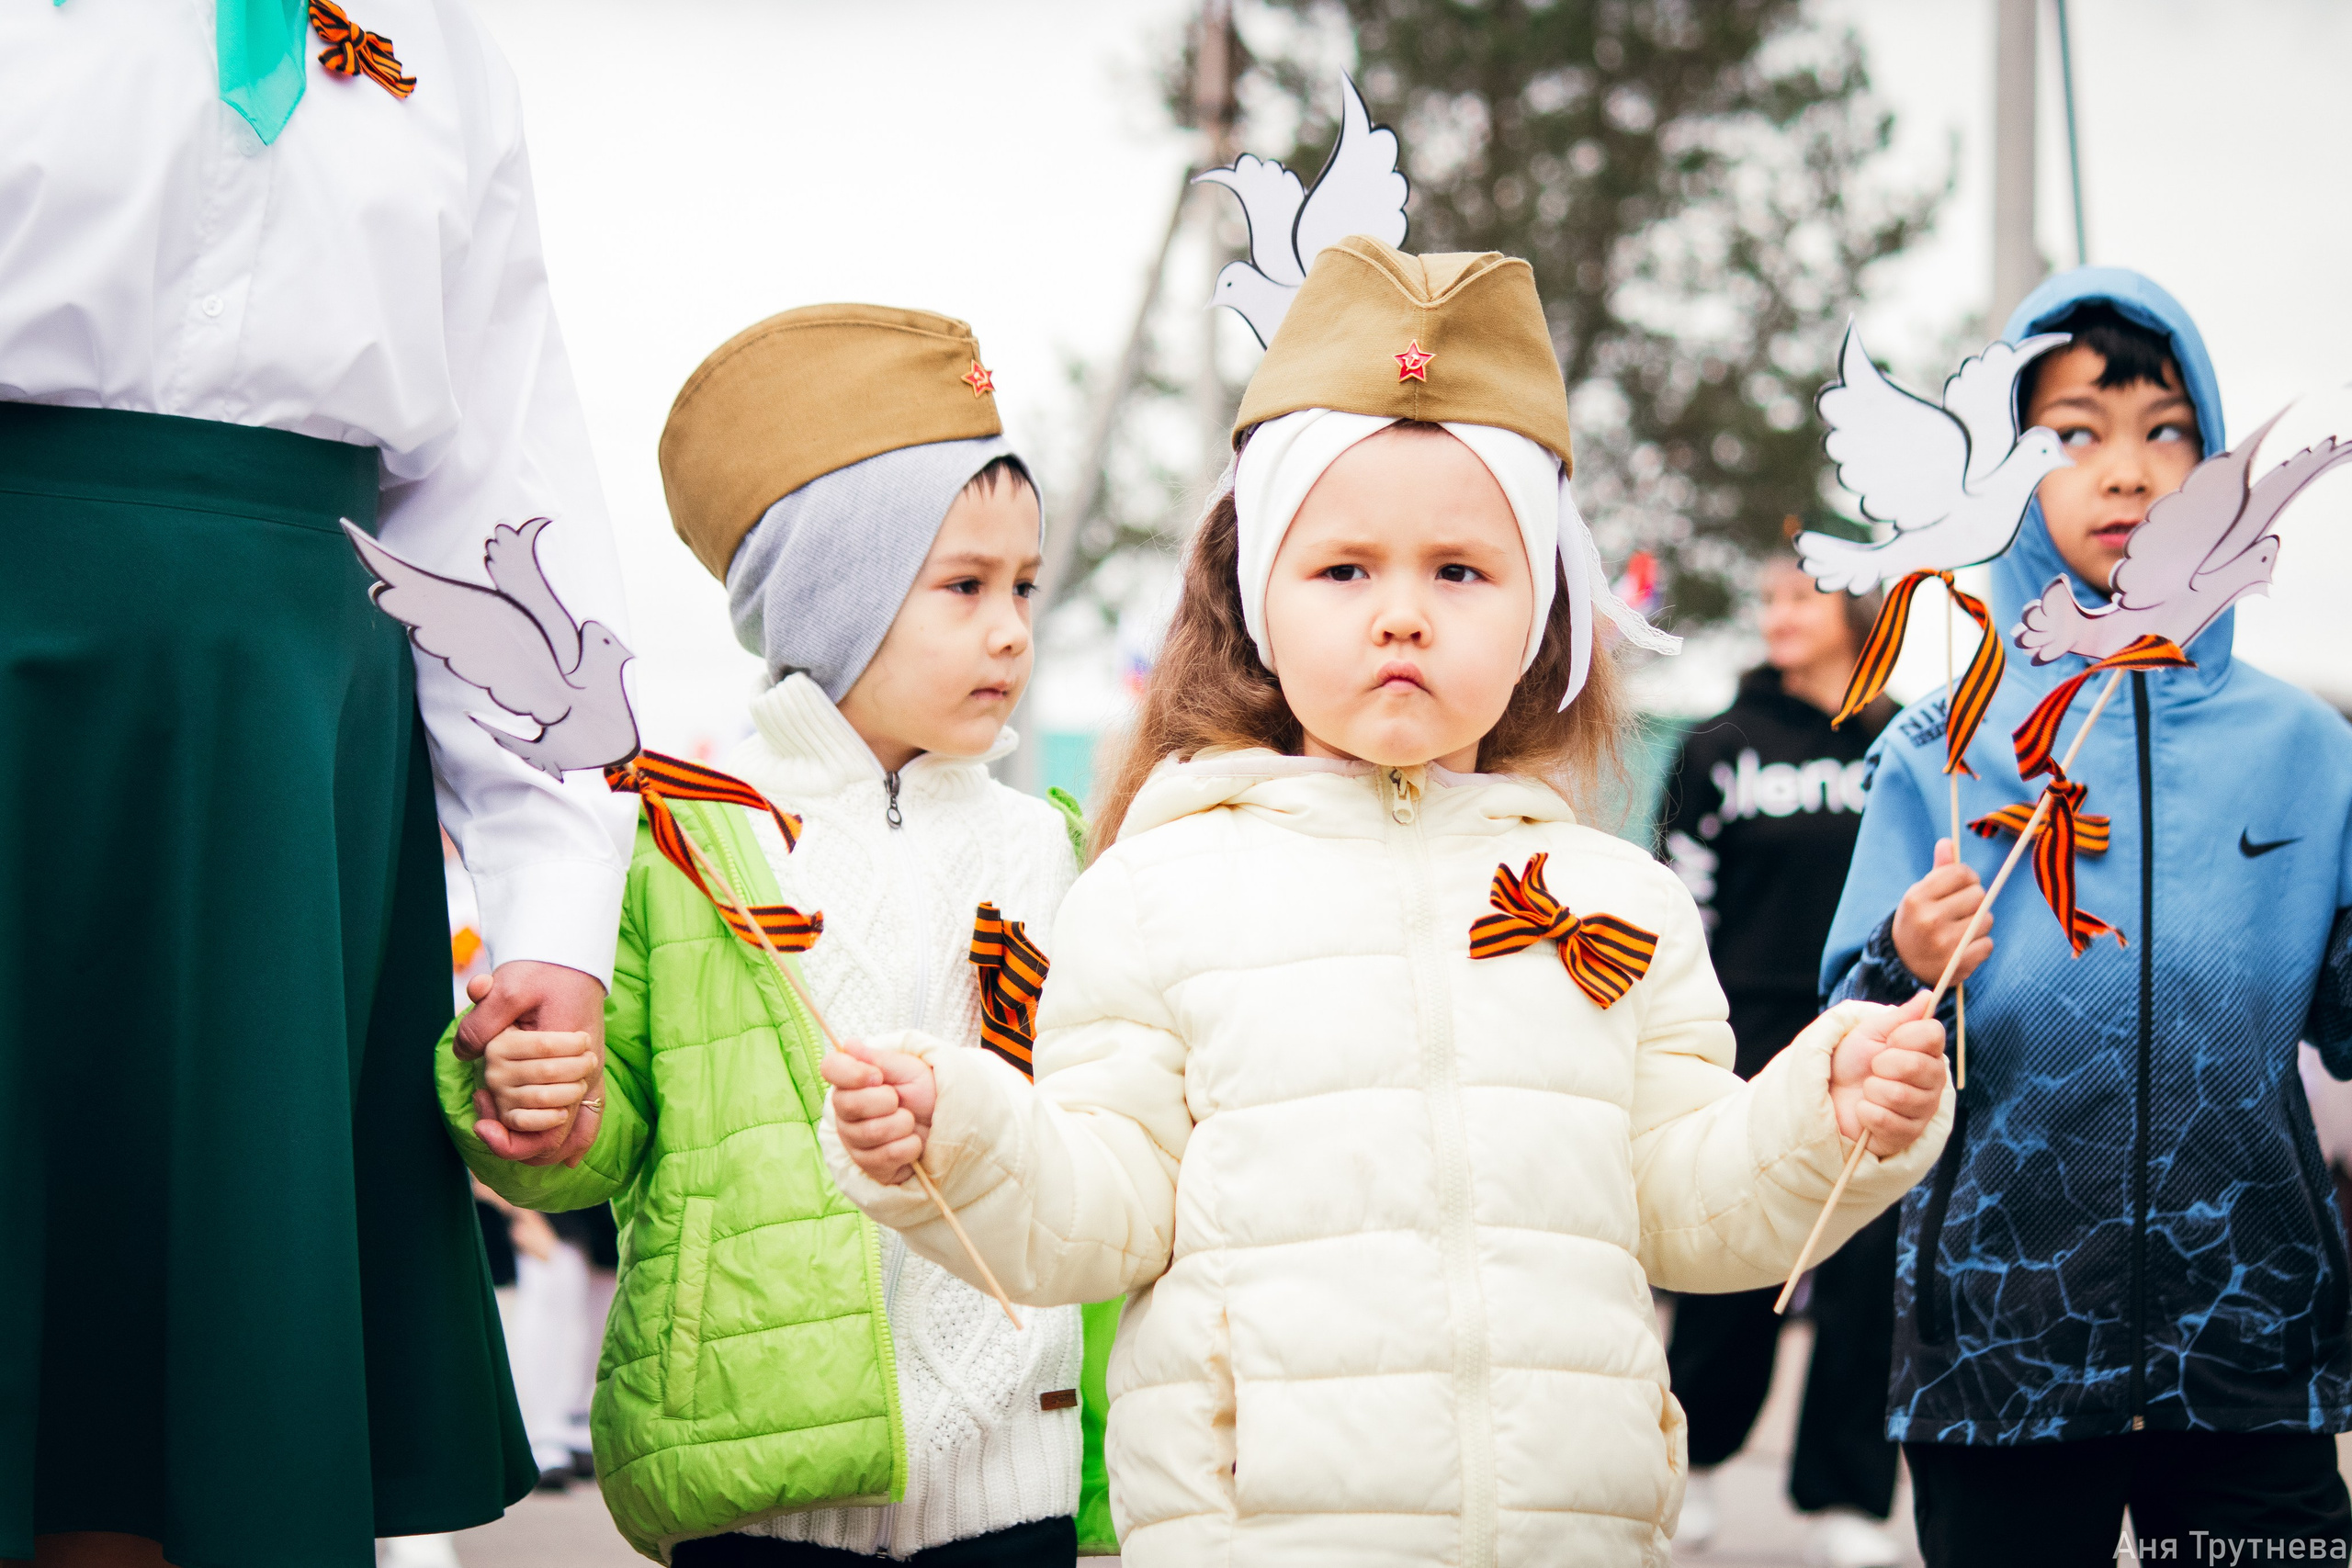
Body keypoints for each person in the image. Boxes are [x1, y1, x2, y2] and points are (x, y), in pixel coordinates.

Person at [820, 237, 1953, 1565]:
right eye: (1345, 568)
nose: (1402, 614)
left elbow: (1690, 1203)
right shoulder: (1159, 887)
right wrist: (955, 1131)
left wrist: (1829, 1113)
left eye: (1460, 570)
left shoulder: (1616, 898)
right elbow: (1102, 1202)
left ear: (1541, 609)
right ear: (1257, 602)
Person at [0, 6, 633, 1565]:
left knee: (210, 1405)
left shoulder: (447, 56)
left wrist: (555, 906)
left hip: (290, 757)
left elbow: (497, 493)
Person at [447, 305, 1106, 1564]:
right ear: (828, 601)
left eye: (1024, 584)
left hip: (1009, 1472)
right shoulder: (686, 841)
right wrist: (547, 1109)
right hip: (757, 1473)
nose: (1013, 626)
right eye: (963, 585)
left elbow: (1089, 1135)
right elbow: (606, 1132)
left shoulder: (1045, 848)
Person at [1822, 268, 2352, 1563]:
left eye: (2166, 429)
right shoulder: (1938, 742)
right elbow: (1842, 1039)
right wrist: (1907, 961)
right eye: (2072, 433)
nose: (2128, 472)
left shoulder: (2306, 746)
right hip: (2000, 1348)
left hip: (2252, 1350)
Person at [1657, 549, 1903, 1567]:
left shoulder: (1911, 743)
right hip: (1746, 1028)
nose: (1776, 615)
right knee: (1734, 1249)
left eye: (1797, 595)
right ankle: (1695, 1465)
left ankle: (1845, 1499)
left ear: (1853, 603)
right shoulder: (1720, 744)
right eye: (1767, 598)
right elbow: (1679, 892)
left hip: (1878, 1027)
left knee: (1866, 1275)